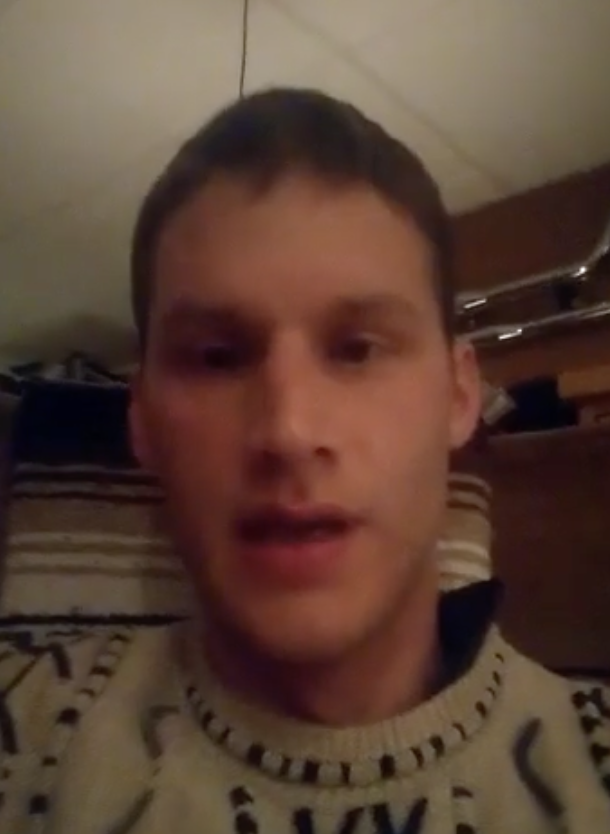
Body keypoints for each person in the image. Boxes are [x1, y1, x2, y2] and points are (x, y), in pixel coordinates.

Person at [0, 88, 608, 833]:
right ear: (144, 421)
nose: (288, 431)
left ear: (458, 397)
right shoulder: (27, 729)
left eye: (357, 349)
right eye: (217, 358)